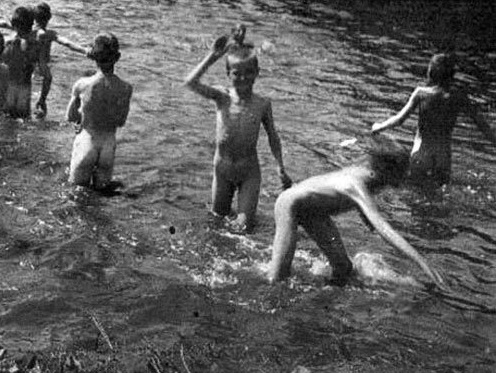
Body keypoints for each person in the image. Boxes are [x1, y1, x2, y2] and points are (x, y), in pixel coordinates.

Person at [268, 136, 445, 289]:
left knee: (344, 269)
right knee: (277, 280)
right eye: (402, 171)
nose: (406, 176)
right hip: (289, 205)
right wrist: (423, 263)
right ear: (386, 171)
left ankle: (321, 298)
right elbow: (384, 229)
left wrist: (366, 218)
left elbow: (360, 207)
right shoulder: (357, 186)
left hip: (314, 211)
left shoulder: (372, 178)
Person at [183, 29, 292, 233]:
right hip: (222, 169)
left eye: (249, 72)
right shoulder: (222, 97)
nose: (243, 78)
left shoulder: (262, 104)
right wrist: (212, 56)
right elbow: (190, 83)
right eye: (236, 73)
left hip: (248, 172)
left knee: (243, 227)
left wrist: (280, 167)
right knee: (217, 220)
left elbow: (273, 136)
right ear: (228, 74)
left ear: (257, 73)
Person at [371, 52, 496, 185]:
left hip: (421, 154)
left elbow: (399, 119)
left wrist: (378, 127)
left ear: (430, 72)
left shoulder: (421, 93)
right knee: (440, 197)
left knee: (416, 194)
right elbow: (482, 125)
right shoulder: (459, 97)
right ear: (452, 74)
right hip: (443, 157)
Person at [66, 33, 133, 191]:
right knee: (102, 195)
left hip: (86, 142)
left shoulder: (82, 84)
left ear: (94, 57)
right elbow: (121, 121)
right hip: (108, 147)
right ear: (118, 57)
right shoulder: (126, 88)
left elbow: (70, 116)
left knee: (75, 194)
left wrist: (79, 121)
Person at [32, 2, 88, 117]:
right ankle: (42, 101)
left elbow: (8, 25)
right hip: (44, 65)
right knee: (47, 78)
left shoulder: (28, 31)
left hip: (29, 65)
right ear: (50, 18)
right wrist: (85, 51)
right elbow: (67, 43)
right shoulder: (50, 34)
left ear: (33, 17)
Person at [1, 6, 38, 119]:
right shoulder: (34, 45)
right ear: (31, 25)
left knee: (5, 118)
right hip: (24, 89)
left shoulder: (7, 43)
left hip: (7, 87)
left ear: (13, 24)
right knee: (23, 119)